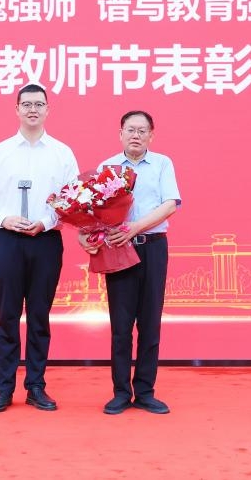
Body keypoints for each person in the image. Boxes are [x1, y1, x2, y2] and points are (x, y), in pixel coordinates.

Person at [0, 83, 79, 413]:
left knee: (39, 316)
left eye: (39, 104)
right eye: (27, 104)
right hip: (8, 241)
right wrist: (4, 219)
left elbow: (73, 201)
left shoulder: (62, 153)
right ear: (16, 109)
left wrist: (45, 222)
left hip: (45, 241)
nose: (33, 109)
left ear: (48, 110)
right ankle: (4, 388)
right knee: (7, 315)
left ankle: (36, 386)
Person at [85, 110, 181, 415]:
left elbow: (170, 204)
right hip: (118, 248)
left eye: (142, 130)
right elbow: (94, 210)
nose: (135, 135)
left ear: (151, 135)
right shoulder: (107, 167)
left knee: (150, 323)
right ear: (120, 134)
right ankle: (121, 392)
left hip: (152, 247)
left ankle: (145, 392)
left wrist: (136, 228)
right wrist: (87, 236)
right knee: (121, 324)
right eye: (130, 129)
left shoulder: (163, 164)